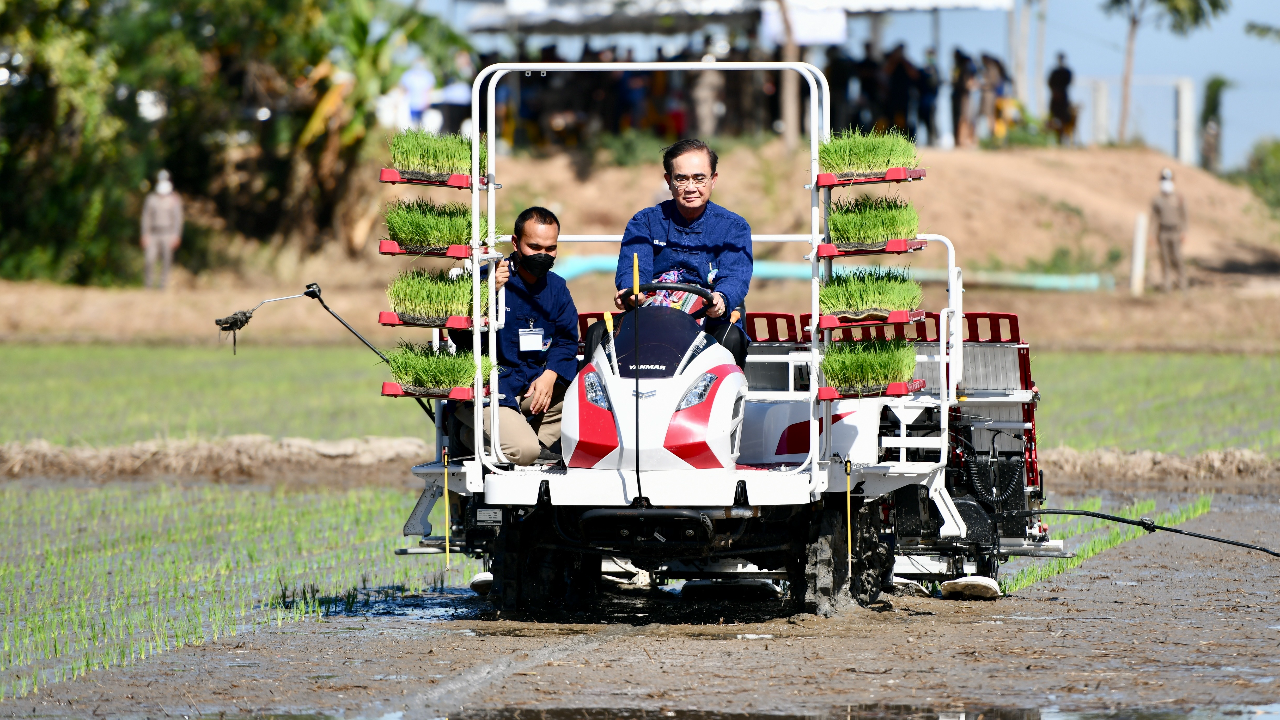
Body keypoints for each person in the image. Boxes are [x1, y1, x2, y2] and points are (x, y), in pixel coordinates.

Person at [453, 207, 580, 466]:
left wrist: (551, 374)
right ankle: (467, 436)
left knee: (588, 395)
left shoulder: (557, 287)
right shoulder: (486, 279)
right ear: (515, 243)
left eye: (550, 249)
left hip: (532, 386)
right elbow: (459, 337)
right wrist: (487, 295)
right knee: (524, 452)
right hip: (491, 391)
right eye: (534, 247)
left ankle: (530, 443)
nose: (543, 255)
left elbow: (567, 340)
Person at [611, 138, 752, 368]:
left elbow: (735, 277)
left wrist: (722, 299)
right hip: (652, 313)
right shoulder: (643, 222)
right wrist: (631, 291)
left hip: (708, 316)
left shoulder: (734, 227)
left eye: (699, 178)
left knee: (731, 338)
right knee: (599, 333)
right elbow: (632, 269)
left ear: (713, 180)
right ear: (668, 181)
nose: (690, 187)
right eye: (681, 179)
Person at [140, 169, 183, 289]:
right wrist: (145, 234)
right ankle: (148, 286)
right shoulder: (151, 198)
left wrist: (176, 235)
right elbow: (146, 218)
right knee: (149, 260)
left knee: (166, 261)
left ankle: (162, 287)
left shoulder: (174, 199)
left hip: (168, 233)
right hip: (153, 233)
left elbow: (178, 218)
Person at [1151, 168, 1189, 293]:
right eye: (1163, 179)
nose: (1166, 182)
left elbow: (1184, 216)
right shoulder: (1157, 200)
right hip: (1163, 232)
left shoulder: (1179, 198)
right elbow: (1153, 218)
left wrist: (1184, 232)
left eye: (1168, 179)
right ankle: (1166, 285)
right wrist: (1151, 234)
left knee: (1177, 258)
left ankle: (1182, 284)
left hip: (1175, 232)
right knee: (1165, 259)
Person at [398, 59, 435, 129]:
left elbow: (430, 90)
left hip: (424, 105)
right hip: (411, 105)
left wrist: (428, 101)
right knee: (412, 125)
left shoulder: (427, 75)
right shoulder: (408, 75)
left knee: (424, 126)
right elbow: (402, 88)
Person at [1047, 52, 1075, 145]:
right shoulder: (1054, 72)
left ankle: (1065, 138)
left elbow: (1068, 82)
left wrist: (1060, 92)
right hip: (1055, 99)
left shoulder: (1067, 72)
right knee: (1053, 119)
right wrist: (1055, 92)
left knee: (1066, 119)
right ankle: (1056, 139)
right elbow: (1050, 83)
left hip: (1063, 99)